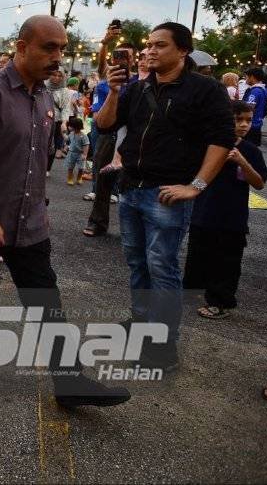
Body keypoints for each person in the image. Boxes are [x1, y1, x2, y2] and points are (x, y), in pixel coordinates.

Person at [0, 15, 130, 408]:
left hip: (30, 219)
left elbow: (36, 159)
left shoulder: (43, 94)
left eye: (62, 48)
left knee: (44, 297)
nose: (58, 57)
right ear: (21, 47)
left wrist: (41, 203)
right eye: (48, 48)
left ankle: (69, 381)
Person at [94, 22, 235, 370]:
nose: (150, 51)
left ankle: (162, 344)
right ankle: (140, 322)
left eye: (159, 45)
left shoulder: (205, 90)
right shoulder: (138, 89)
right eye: (148, 45)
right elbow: (104, 125)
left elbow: (222, 139)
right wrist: (113, 91)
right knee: (137, 264)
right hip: (131, 188)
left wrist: (196, 186)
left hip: (166, 194)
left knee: (162, 267)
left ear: (183, 50)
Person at [182, 101, 267, 319]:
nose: (244, 125)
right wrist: (193, 190)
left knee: (226, 262)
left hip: (232, 218)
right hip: (203, 212)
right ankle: (192, 291)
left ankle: (221, 301)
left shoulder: (250, 151)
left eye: (248, 120)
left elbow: (259, 183)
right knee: (197, 256)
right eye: (238, 120)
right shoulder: (208, 147)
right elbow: (198, 178)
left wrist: (242, 162)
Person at [82, 36, 138, 232]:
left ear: (133, 59)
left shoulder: (140, 83)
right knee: (103, 176)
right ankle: (97, 222)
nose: (123, 59)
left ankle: (132, 230)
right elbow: (98, 116)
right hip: (108, 134)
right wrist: (105, 44)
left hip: (132, 136)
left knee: (132, 179)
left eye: (127, 56)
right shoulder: (104, 84)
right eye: (118, 55)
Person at [44, 69, 72, 177]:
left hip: (57, 120)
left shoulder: (65, 91)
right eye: (53, 74)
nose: (56, 77)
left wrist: (64, 122)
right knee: (41, 143)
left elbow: (66, 108)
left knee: (53, 144)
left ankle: (47, 168)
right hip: (43, 118)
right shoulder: (43, 86)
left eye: (59, 76)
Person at [241, 67, 267, 146]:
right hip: (257, 124)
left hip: (251, 126)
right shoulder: (264, 89)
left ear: (252, 77)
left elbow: (248, 108)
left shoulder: (255, 91)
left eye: (246, 76)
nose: (245, 79)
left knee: (247, 151)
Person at [64, 117, 88, 185]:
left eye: (70, 126)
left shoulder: (83, 136)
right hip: (71, 153)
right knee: (70, 167)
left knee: (81, 167)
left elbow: (86, 145)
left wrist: (85, 154)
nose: (69, 127)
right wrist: (65, 144)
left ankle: (79, 178)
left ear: (76, 127)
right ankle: (70, 178)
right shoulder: (71, 133)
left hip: (80, 154)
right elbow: (68, 140)